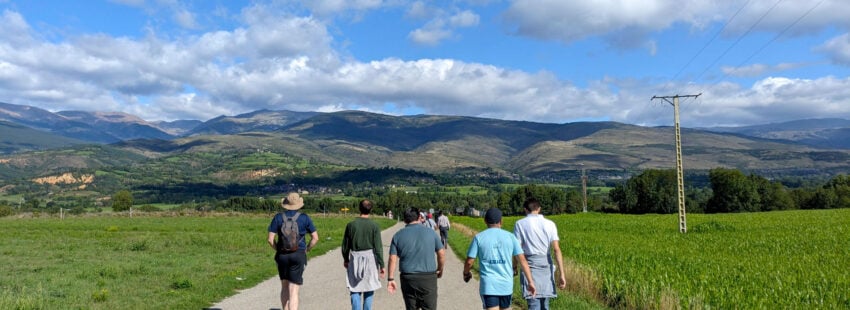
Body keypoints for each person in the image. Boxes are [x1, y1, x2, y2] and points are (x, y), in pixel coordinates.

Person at [463, 208, 536, 310]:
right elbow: (522, 261)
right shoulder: (511, 237)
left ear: (485, 221)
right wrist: (530, 281)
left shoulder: (479, 238)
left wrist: (466, 273)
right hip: (506, 286)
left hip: (488, 286)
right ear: (501, 221)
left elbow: (470, 261)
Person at [267, 192, 318, 310]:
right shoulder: (305, 218)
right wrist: (307, 249)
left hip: (282, 256)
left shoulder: (278, 217)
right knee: (294, 289)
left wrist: (278, 249)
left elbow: (270, 240)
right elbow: (315, 238)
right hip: (298, 254)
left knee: (284, 286)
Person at [387, 208, 446, 310]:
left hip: (408, 278)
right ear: (419, 217)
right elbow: (441, 253)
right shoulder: (431, 233)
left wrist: (390, 278)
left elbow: (392, 258)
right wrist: (440, 269)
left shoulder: (398, 235)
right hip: (428, 277)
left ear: (404, 220)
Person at [513, 198, 567, 310]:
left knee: (533, 302)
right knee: (545, 304)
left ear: (525, 210)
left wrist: (515, 266)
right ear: (539, 209)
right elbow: (556, 249)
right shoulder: (550, 224)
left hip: (529, 265)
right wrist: (562, 274)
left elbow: (517, 249)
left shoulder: (520, 224)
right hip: (546, 264)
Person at [342, 199, 385, 310]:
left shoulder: (351, 225)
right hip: (370, 257)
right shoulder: (374, 226)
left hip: (355, 257)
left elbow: (345, 245)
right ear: (371, 209)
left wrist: (346, 259)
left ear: (359, 208)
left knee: (354, 287)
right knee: (369, 286)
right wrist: (382, 264)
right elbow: (378, 247)